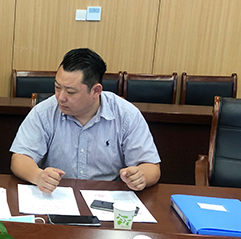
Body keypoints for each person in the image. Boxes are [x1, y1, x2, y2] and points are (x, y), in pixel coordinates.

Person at [10, 48, 161, 193]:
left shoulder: (126, 115)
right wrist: (38, 176)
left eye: (70, 92)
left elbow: (151, 167)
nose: (60, 97)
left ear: (96, 91)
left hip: (108, 198)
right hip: (57, 196)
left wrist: (140, 176)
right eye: (57, 87)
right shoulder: (44, 112)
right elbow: (20, 158)